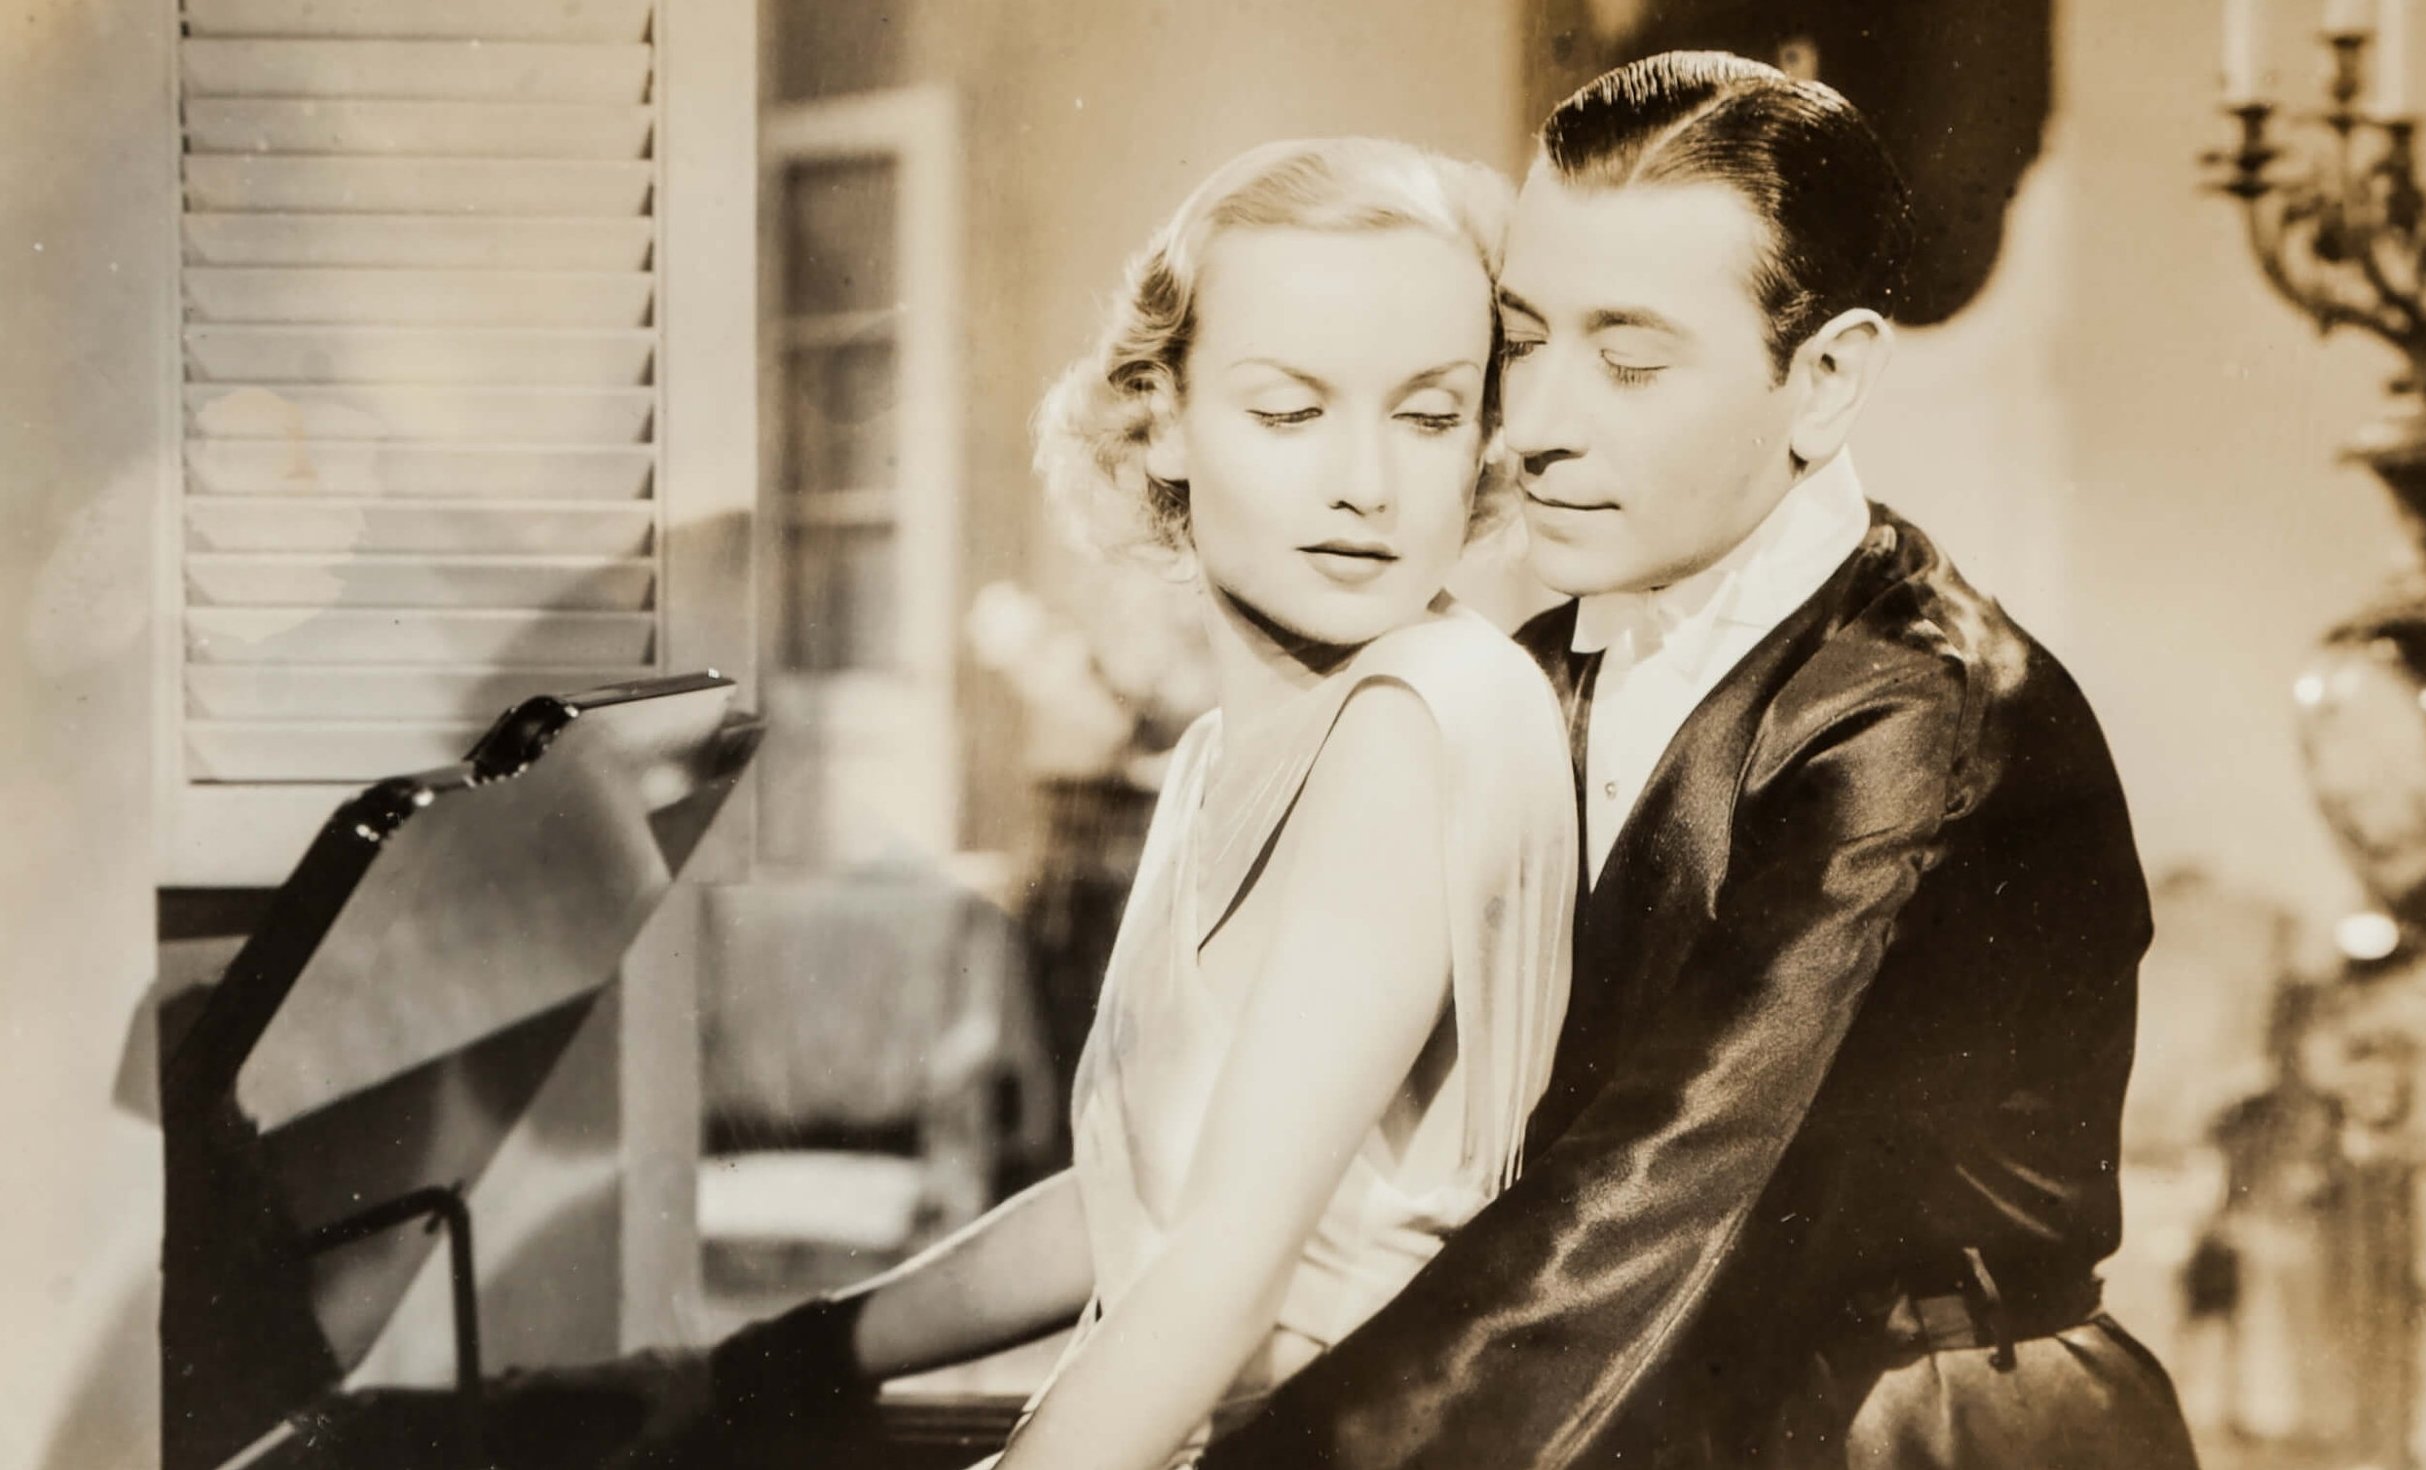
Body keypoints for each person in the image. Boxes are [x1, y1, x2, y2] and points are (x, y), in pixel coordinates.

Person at [1191, 52, 2202, 1469]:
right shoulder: (1538, 663)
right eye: (1521, 341)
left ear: (1826, 379)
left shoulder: (1921, 710)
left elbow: (1656, 1190)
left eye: (1628, 360)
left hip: (1926, 1431)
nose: (1538, 427)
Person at [635, 136, 1579, 1470]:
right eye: (1291, 411)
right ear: (1162, 418)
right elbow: (1133, 1202)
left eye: (1427, 415)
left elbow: (1222, 1272)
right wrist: (780, 1357)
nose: (1366, 482)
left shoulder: (1419, 715)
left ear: (1483, 435)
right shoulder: (1216, 759)